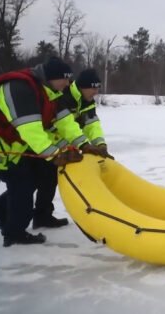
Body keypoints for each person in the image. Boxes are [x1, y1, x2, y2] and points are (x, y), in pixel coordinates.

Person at [0, 57, 102, 247]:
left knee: (24, 187)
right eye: (64, 78)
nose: (68, 83)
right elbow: (31, 130)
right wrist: (55, 154)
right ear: (52, 77)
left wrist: (84, 144)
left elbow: (66, 123)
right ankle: (9, 224)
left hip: (9, 149)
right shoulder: (19, 88)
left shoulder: (52, 93)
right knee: (24, 186)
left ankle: (13, 231)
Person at [28, 68, 113, 230]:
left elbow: (92, 124)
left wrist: (100, 143)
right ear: (82, 87)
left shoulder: (86, 101)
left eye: (98, 88)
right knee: (31, 182)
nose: (96, 92)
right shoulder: (64, 97)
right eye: (93, 88)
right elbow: (61, 126)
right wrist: (76, 146)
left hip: (63, 145)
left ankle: (42, 216)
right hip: (44, 144)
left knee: (49, 181)